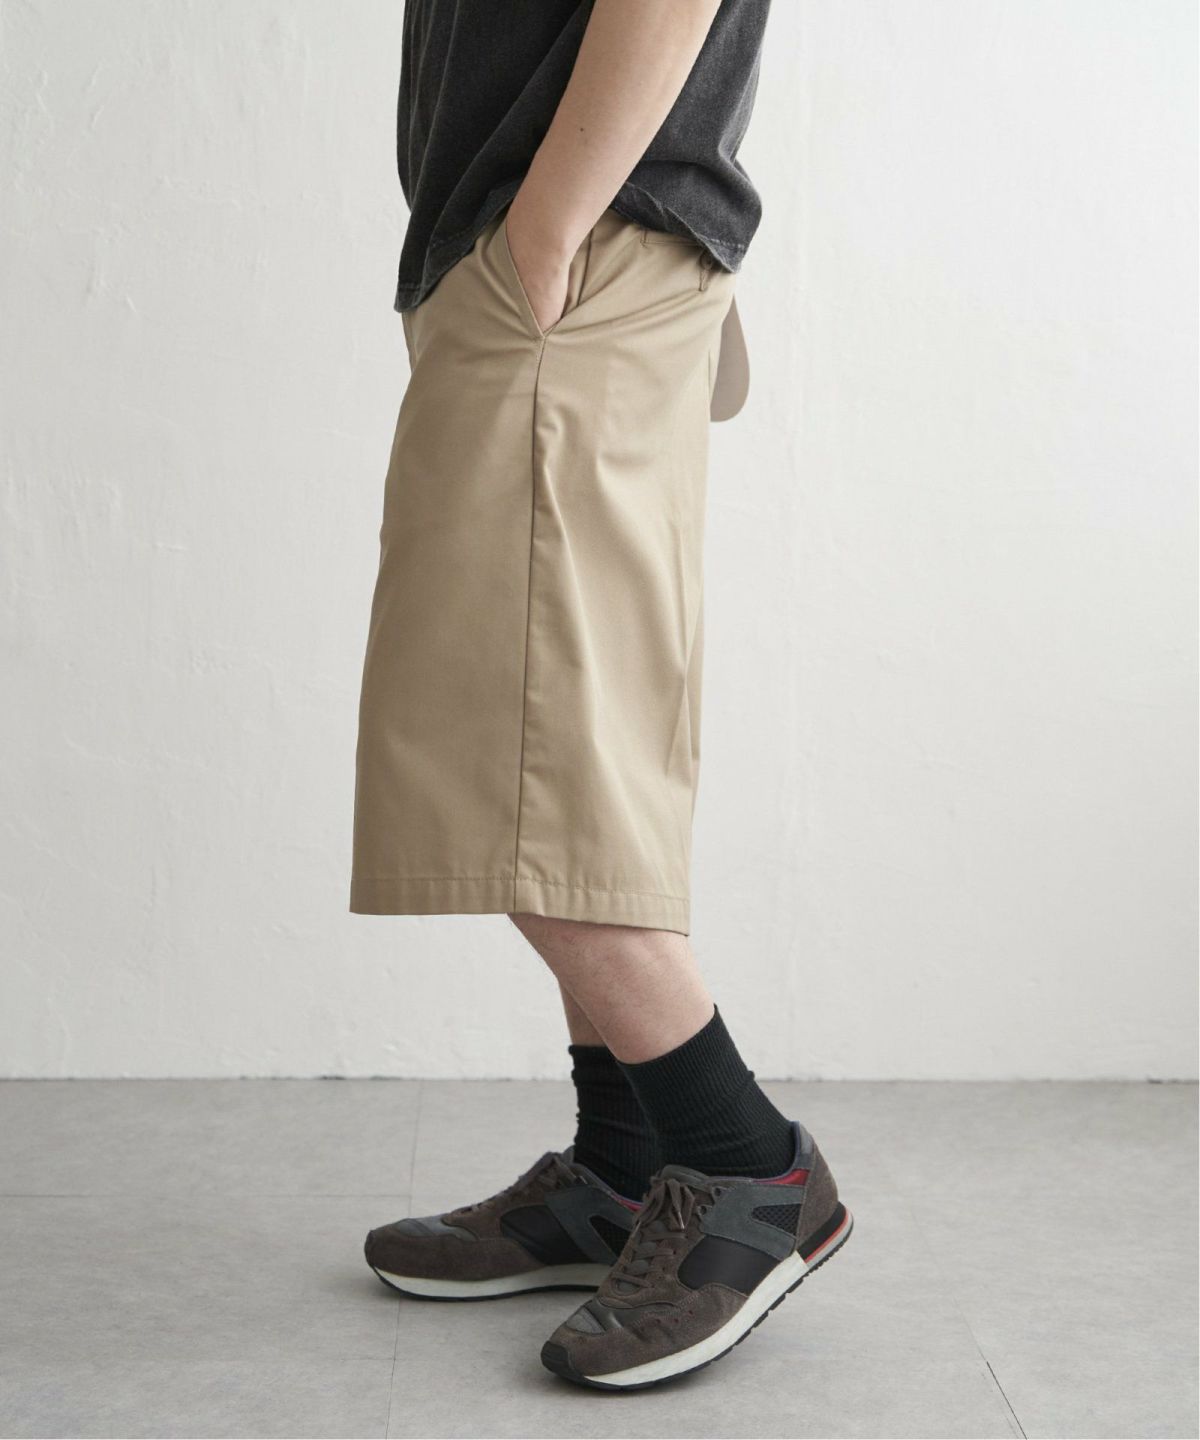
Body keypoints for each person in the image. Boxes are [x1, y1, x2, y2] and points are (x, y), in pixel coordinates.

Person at [352, 0, 851, 1390]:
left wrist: (547, 229)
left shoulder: (558, 241)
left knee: (516, 768)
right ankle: (626, 1168)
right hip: (563, 247)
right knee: (573, 765)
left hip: (574, 245)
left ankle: (746, 1169)